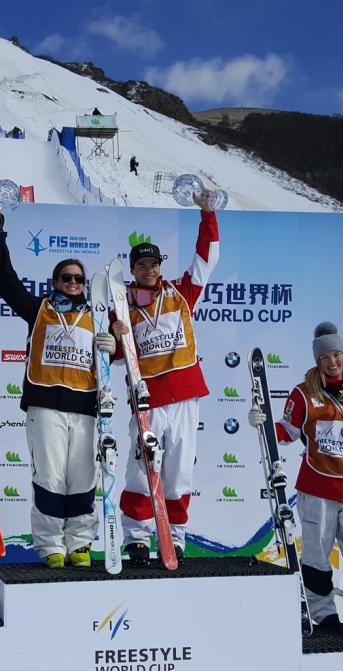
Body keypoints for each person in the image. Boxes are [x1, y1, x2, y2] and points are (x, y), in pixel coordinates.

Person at [248, 322, 343, 632]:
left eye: (337, 355)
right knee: (318, 553)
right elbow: (288, 432)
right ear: (317, 361)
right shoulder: (305, 394)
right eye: (325, 358)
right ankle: (323, 612)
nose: (333, 362)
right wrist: (263, 423)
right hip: (317, 487)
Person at [0, 210, 100, 568]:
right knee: (49, 476)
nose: (73, 282)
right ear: (55, 281)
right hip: (45, 404)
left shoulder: (98, 315)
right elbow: (6, 281)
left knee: (82, 477)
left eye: (78, 278)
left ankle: (79, 542)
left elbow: (117, 360)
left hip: (85, 407)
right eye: (66, 277)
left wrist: (115, 346)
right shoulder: (39, 310)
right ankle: (51, 546)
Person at [108, 192, 219, 566]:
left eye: (154, 264)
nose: (149, 271)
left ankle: (176, 536)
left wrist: (208, 215)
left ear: (160, 265)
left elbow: (206, 259)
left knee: (179, 472)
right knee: (141, 470)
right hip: (147, 400)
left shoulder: (181, 294)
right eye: (142, 266)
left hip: (186, 396)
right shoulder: (122, 305)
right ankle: (136, 538)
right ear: (133, 268)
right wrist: (114, 337)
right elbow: (114, 355)